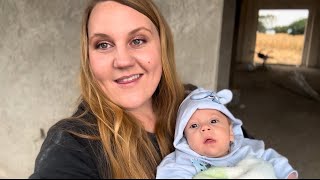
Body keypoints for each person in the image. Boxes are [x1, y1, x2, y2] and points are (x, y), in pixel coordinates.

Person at [29, 0, 186, 178]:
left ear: (162, 45)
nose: (123, 61)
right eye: (103, 45)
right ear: (88, 57)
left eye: (137, 40)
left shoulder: (195, 105)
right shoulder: (71, 146)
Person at [156, 88, 298, 179]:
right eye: (194, 125)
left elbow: (271, 158)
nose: (205, 128)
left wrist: (288, 174)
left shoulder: (246, 148)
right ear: (185, 138)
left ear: (231, 132)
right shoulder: (181, 162)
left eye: (213, 121)